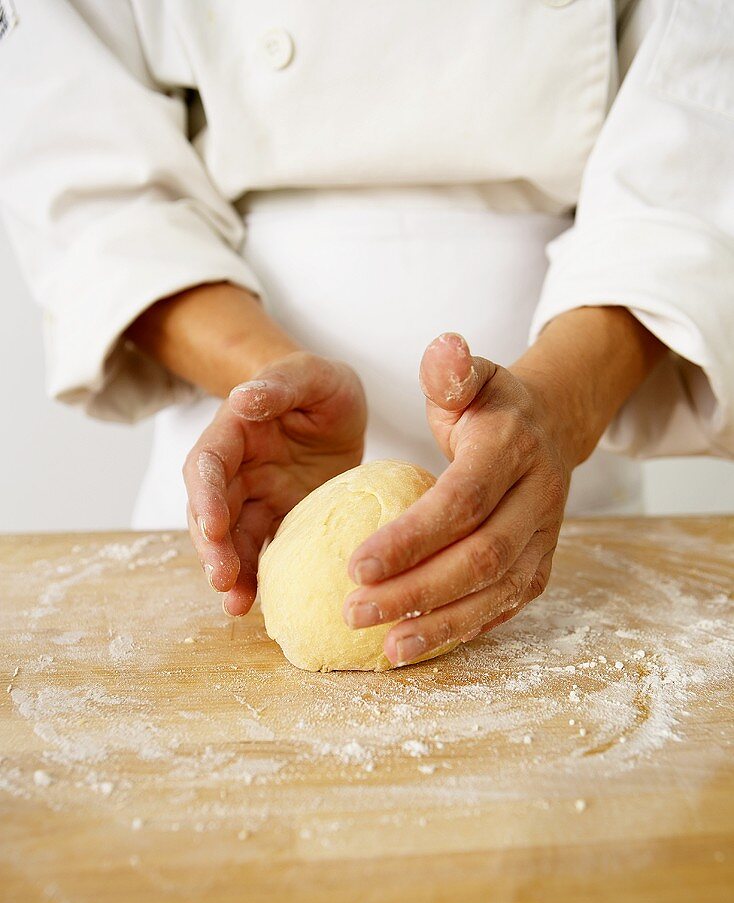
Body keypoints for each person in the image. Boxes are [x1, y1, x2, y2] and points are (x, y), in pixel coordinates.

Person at [1, 1, 732, 667]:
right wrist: (266, 374)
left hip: (565, 454)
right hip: (253, 481)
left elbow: (701, 127)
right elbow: (77, 154)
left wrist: (560, 403)